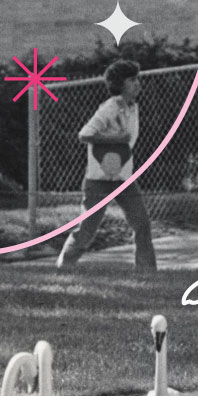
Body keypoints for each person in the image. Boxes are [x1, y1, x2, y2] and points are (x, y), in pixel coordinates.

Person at [57, 59, 156, 271]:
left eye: (138, 79)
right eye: (131, 80)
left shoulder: (132, 107)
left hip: (124, 179)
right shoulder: (110, 108)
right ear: (119, 84)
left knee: (142, 224)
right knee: (87, 230)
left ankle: (147, 273)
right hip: (99, 181)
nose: (137, 83)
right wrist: (116, 140)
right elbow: (85, 135)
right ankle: (64, 268)